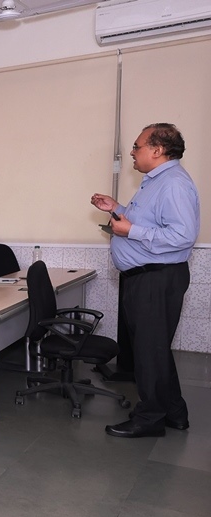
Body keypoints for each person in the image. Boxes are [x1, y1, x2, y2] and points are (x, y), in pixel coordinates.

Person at [91, 123, 199, 439]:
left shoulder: (173, 184)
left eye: (137, 146)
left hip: (156, 279)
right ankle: (175, 413)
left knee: (149, 353)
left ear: (157, 150)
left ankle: (150, 418)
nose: (132, 152)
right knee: (154, 350)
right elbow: (149, 222)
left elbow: (183, 235)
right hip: (147, 278)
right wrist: (117, 208)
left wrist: (131, 231)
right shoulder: (156, 181)